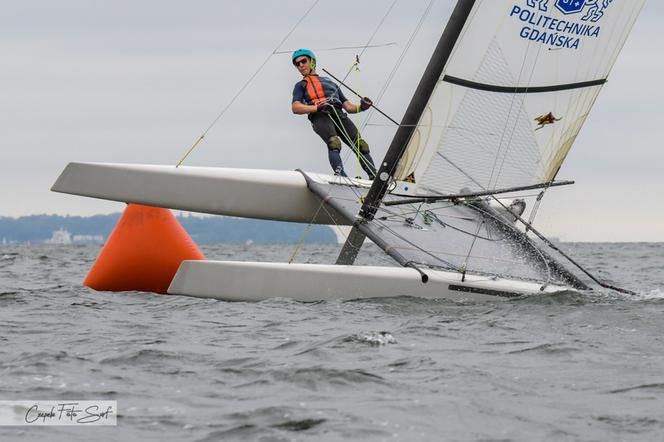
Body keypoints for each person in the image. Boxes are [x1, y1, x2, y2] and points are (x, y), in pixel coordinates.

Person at [290, 49, 377, 179]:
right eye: (297, 64)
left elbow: (348, 107)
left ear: (312, 62)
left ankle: (374, 177)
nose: (301, 65)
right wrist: (317, 108)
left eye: (303, 61)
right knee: (334, 143)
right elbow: (295, 107)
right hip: (320, 115)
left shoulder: (330, 82)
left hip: (339, 113)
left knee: (361, 145)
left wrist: (362, 107)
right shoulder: (300, 85)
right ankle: (341, 176)